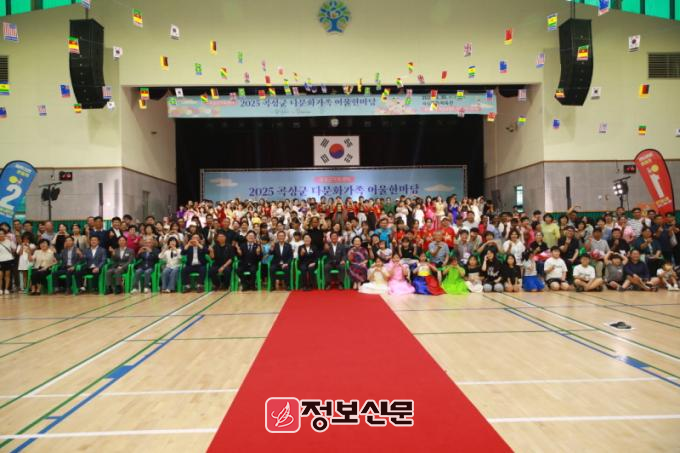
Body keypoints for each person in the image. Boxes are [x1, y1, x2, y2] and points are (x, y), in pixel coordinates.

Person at [0, 229, 16, 294]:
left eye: (2, 233)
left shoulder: (8, 241)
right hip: (0, 260)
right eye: (0, 234)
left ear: (5, 234)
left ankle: (6, 289)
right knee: (0, 276)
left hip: (8, 260)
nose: (1, 235)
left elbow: (14, 248)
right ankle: (0, 289)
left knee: (7, 275)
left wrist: (11, 240)